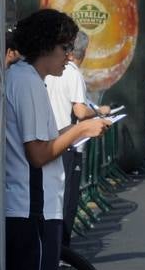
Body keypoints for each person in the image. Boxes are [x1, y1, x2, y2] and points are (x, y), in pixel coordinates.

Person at [4, 10, 112, 270]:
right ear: (47, 46)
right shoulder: (28, 81)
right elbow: (38, 152)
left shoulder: (24, 78)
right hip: (32, 209)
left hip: (30, 207)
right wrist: (82, 129)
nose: (70, 56)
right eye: (65, 47)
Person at [43, 31, 110, 244]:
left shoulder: (45, 72)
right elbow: (81, 111)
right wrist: (99, 112)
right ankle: (62, 250)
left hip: (47, 141)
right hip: (68, 144)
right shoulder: (72, 73)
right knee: (67, 200)